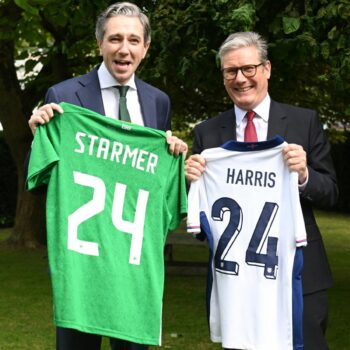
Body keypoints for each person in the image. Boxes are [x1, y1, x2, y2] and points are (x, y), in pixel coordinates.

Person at [27, 2, 187, 350]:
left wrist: (172, 151)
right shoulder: (64, 96)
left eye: (133, 40)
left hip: (132, 266)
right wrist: (38, 135)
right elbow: (40, 180)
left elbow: (154, 175)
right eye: (115, 38)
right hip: (82, 263)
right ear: (100, 43)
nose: (123, 48)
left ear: (146, 48)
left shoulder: (158, 102)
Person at [185, 31, 338, 350]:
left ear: (266, 69)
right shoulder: (207, 133)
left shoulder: (304, 121)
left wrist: (303, 174)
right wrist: (190, 181)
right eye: (231, 71)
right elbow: (199, 217)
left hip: (300, 275)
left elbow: (330, 191)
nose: (240, 78)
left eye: (248, 69)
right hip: (237, 281)